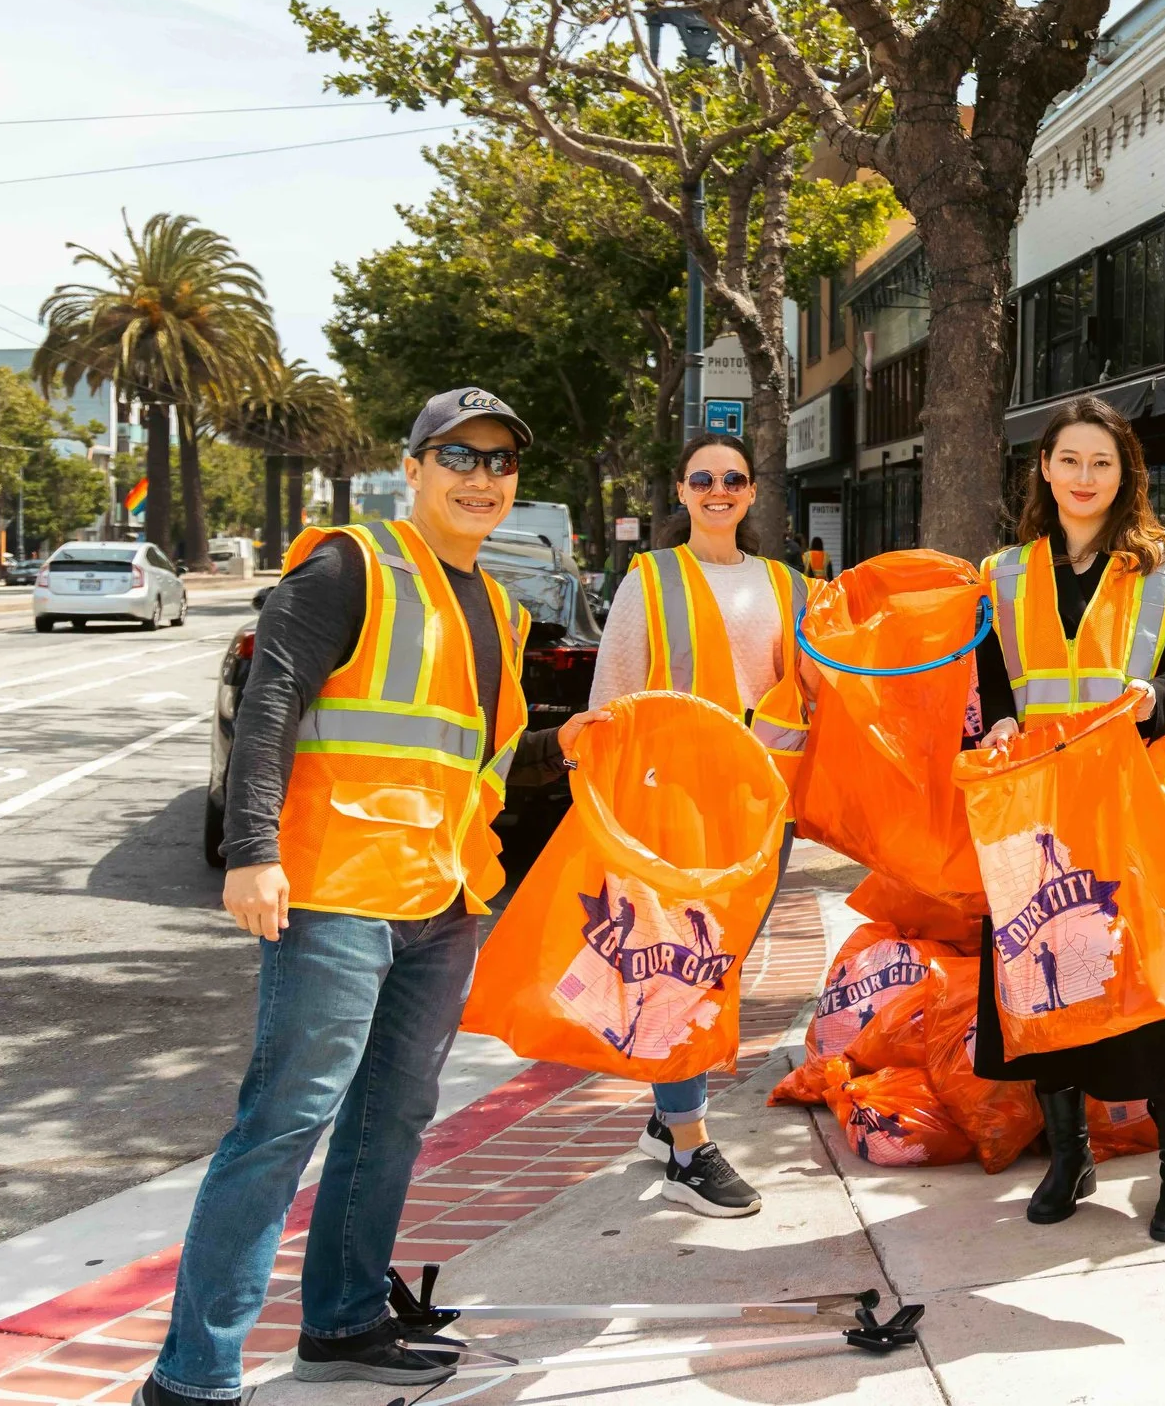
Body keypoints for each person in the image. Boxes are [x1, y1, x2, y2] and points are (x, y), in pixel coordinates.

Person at [144, 389, 595, 1405]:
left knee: (392, 1115)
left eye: (500, 461)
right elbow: (270, 707)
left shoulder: (499, 605)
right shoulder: (349, 564)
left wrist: (558, 748)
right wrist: (250, 851)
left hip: (442, 894)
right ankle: (192, 1376)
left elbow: (466, 762)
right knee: (285, 1120)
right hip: (337, 888)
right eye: (459, 455)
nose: (481, 477)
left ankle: (345, 1320)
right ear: (414, 464)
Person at [971, 395, 1165, 1241]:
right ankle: (1068, 1157)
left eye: (1101, 462)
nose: (1084, 477)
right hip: (1034, 813)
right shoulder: (1003, 572)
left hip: (1131, 808)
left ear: (1125, 473)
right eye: (1069, 460)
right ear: (1044, 468)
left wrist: (1157, 699)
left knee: (1153, 990)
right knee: (1045, 989)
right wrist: (995, 720)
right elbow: (995, 684)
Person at [587, 432, 814, 1217]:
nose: (719, 489)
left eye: (734, 478)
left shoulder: (788, 585)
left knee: (719, 966)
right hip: (675, 805)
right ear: (681, 491)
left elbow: (815, 691)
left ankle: (666, 1113)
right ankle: (690, 1146)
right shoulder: (648, 579)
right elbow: (611, 697)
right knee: (683, 967)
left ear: (752, 493)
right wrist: (610, 809)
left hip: (762, 804)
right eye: (703, 478)